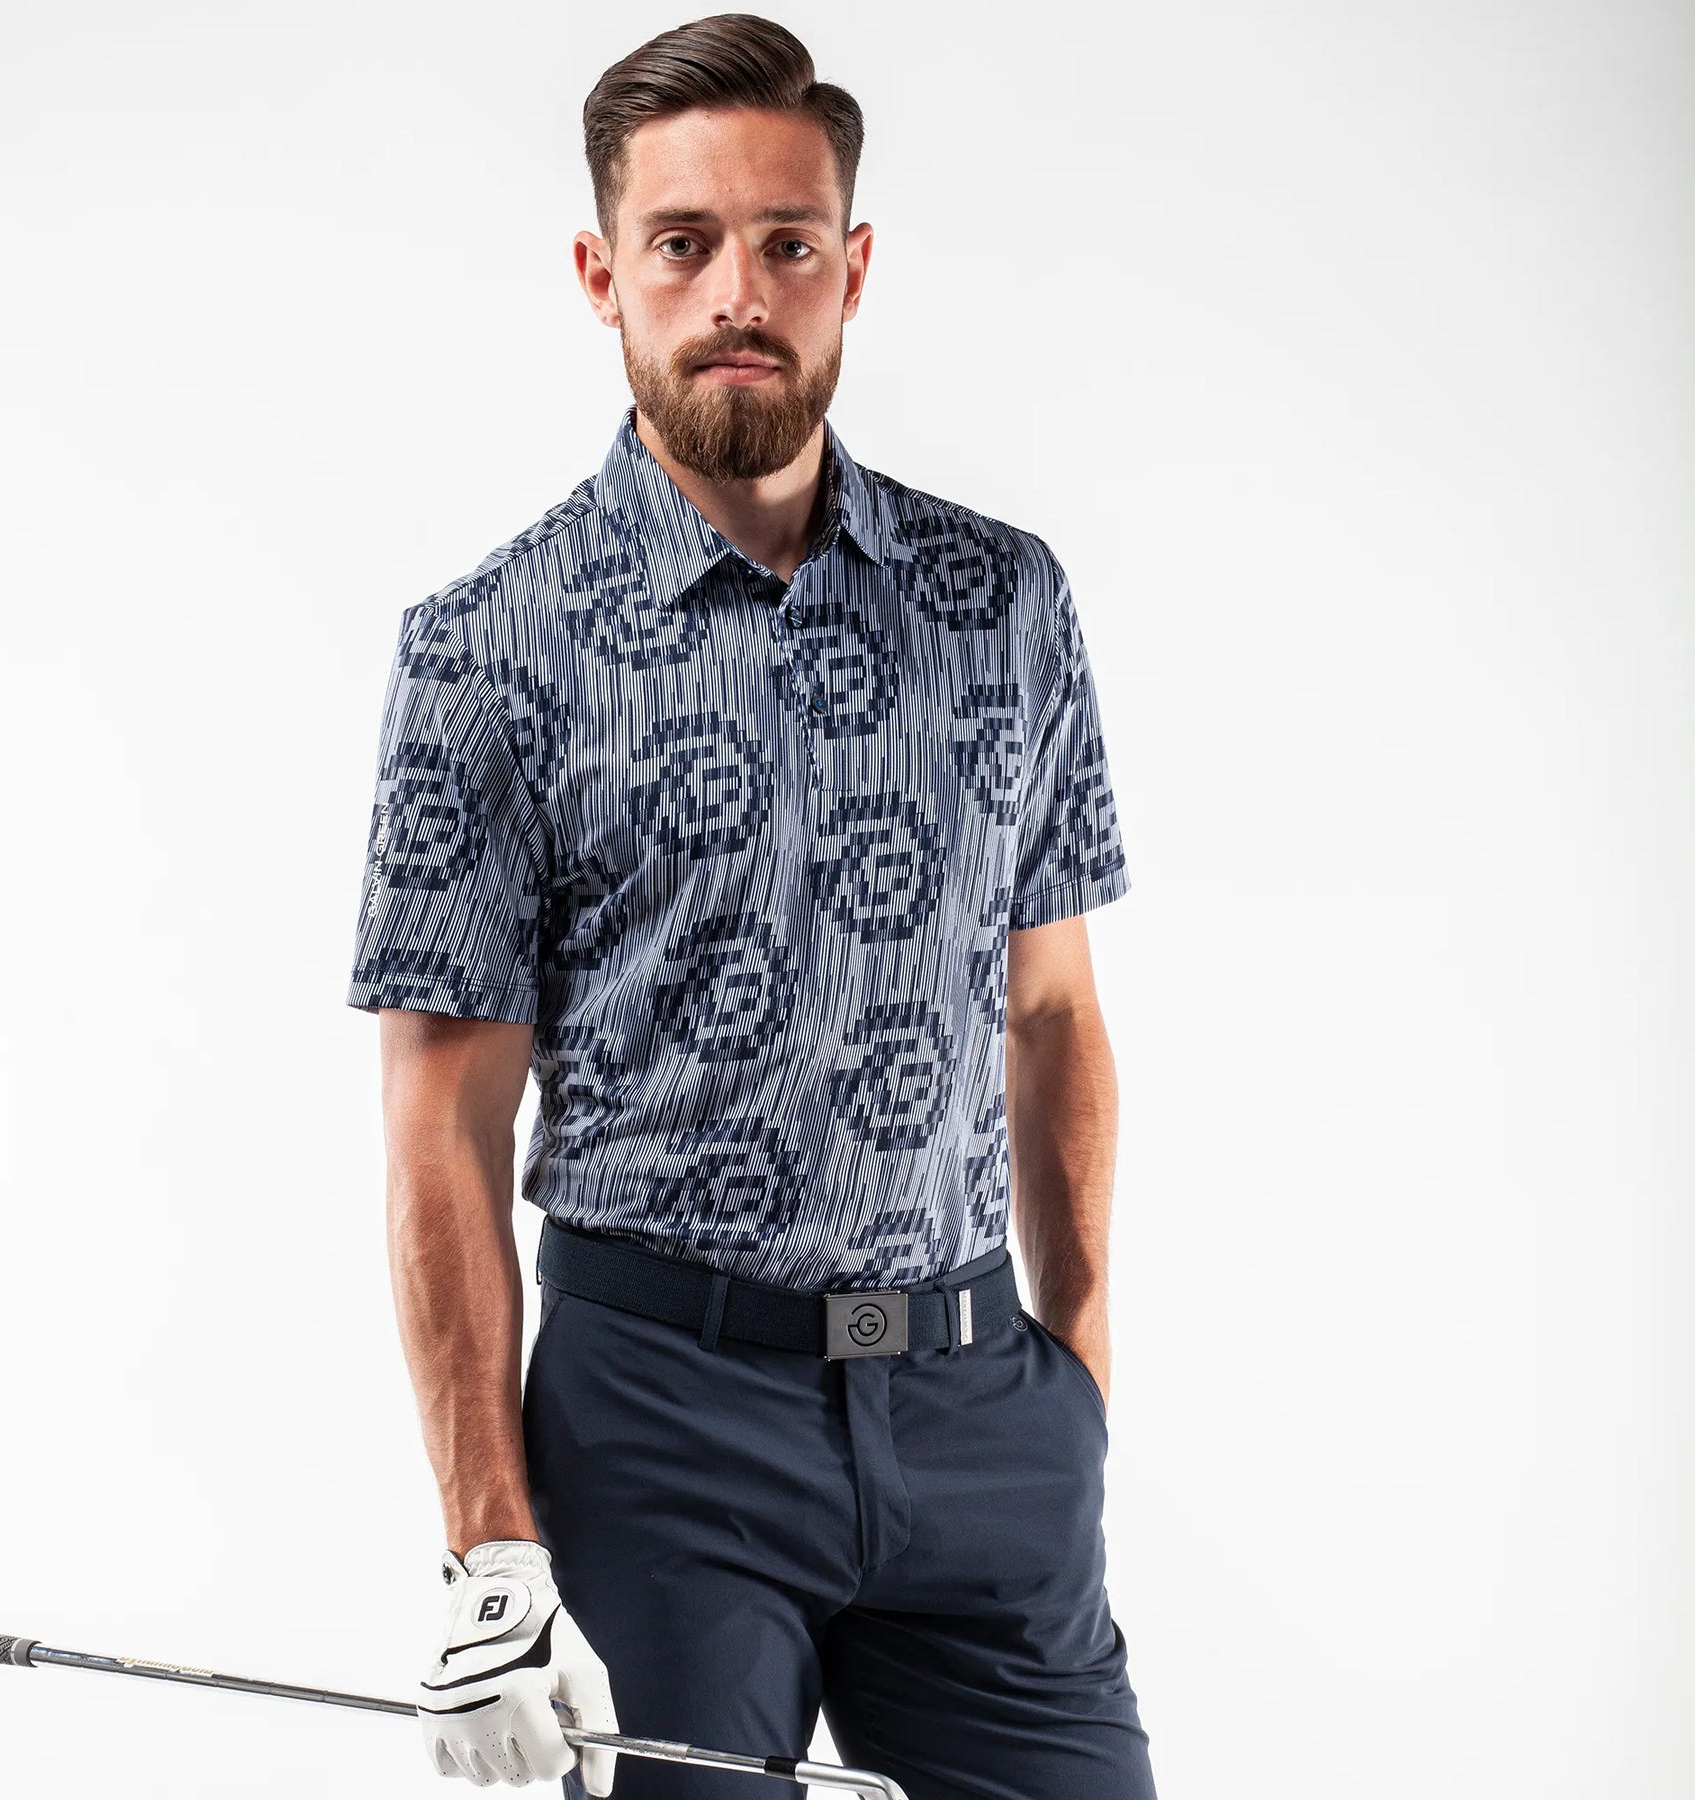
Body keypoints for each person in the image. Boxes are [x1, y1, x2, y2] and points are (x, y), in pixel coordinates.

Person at [347, 14, 1155, 1797]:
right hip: (662, 1433)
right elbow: (442, 1122)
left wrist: (1076, 1379)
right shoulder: (488, 652)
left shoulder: (1004, 604)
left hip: (979, 1412)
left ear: (850, 267)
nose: (738, 291)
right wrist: (492, 1548)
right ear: (603, 276)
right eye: (682, 243)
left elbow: (1051, 1012)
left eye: (787, 243)